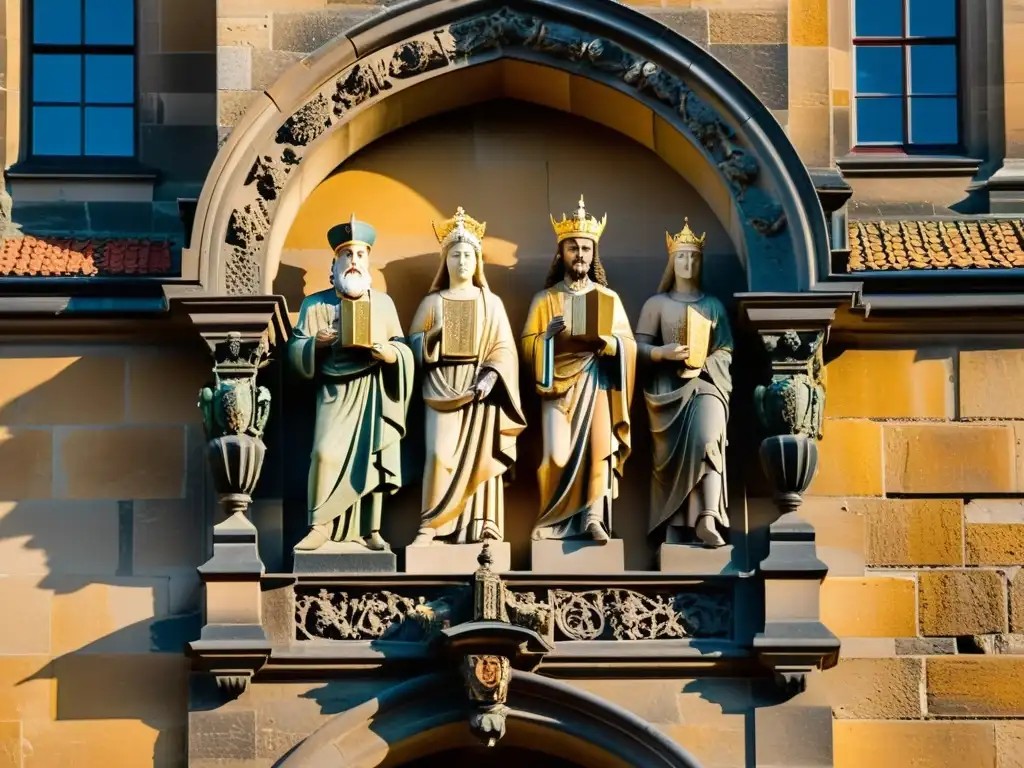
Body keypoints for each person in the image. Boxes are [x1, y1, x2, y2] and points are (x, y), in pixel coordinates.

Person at [287, 215, 414, 552]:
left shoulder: (383, 304)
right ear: (335, 262)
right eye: (347, 255)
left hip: (373, 391)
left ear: (367, 261)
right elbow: (294, 350)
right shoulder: (315, 304)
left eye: (359, 255)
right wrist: (318, 343)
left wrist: (387, 353)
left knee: (373, 455)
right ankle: (319, 525)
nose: (353, 261)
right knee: (324, 454)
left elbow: (403, 351)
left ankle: (370, 529)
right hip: (334, 393)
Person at [521, 196, 636, 543]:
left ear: (593, 254)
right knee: (555, 456)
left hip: (596, 381)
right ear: (562, 253)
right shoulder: (545, 299)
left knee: (599, 450)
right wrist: (548, 339)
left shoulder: (607, 298)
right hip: (556, 386)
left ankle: (593, 518)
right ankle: (553, 519)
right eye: (573, 247)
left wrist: (608, 342)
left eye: (586, 248)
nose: (580, 254)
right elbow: (527, 345)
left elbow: (628, 344)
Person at [409, 207, 526, 545]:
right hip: (440, 387)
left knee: (481, 458)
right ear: (444, 261)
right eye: (455, 254)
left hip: (480, 392)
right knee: (438, 455)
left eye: (468, 255)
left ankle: (482, 524)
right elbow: (410, 346)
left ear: (478, 262)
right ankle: (430, 525)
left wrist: (491, 376)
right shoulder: (432, 302)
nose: (462, 261)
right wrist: (431, 338)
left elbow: (505, 348)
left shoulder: (491, 302)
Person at [636, 219, 732, 548]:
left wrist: (702, 363)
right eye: (681, 257)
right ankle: (676, 524)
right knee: (673, 461)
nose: (688, 264)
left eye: (693, 257)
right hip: (667, 392)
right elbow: (637, 348)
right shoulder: (656, 305)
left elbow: (725, 350)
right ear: (671, 261)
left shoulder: (714, 306)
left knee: (709, 441)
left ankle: (707, 516)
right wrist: (663, 354)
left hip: (706, 385)